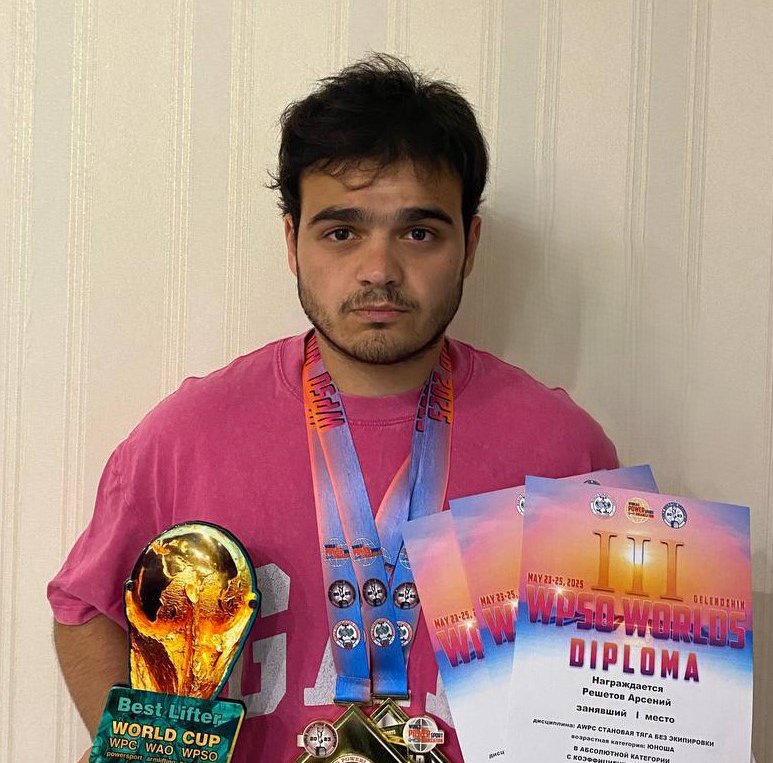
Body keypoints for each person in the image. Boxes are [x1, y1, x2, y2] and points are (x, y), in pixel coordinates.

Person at [48, 54, 618, 763]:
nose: (378, 270)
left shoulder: (561, 449)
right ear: (292, 241)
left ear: (469, 245)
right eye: (341, 232)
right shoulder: (188, 436)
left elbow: (617, 693)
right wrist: (140, 752)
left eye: (418, 232)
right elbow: (86, 609)